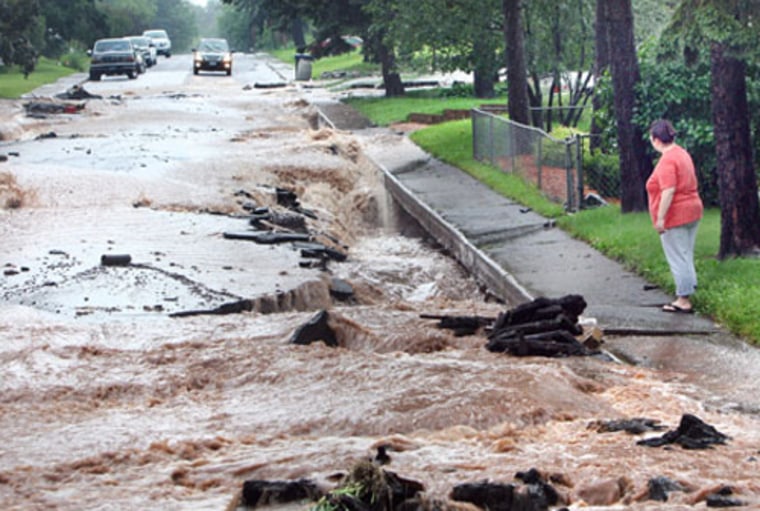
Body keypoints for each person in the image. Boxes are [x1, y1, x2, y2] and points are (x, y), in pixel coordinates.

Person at [645, 119, 704, 313]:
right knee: (686, 253)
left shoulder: (667, 160)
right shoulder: (682, 154)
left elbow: (668, 191)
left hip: (676, 214)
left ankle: (683, 299)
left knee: (677, 256)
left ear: (655, 139)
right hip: (693, 209)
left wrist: (661, 218)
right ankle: (689, 286)